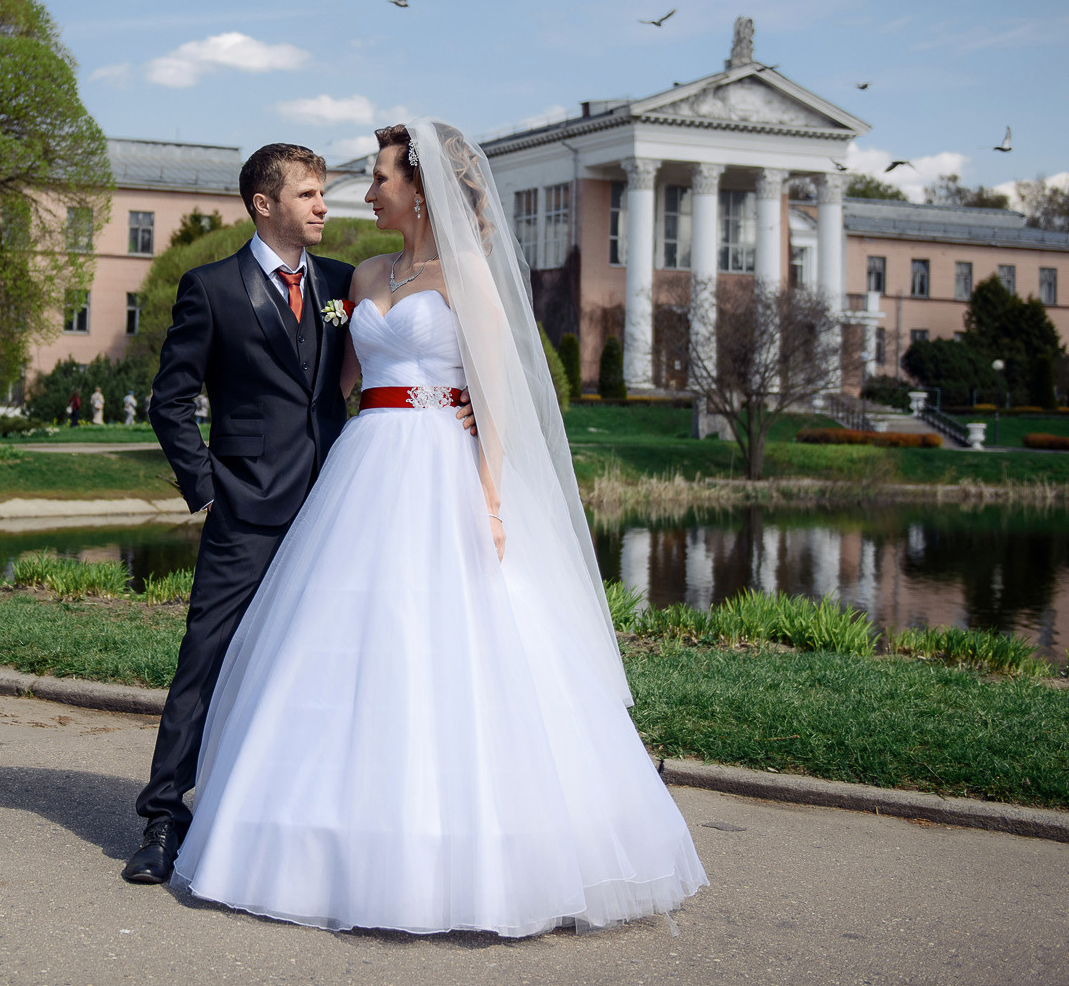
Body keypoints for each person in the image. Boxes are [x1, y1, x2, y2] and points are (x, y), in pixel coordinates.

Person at [167, 120, 706, 936]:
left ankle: (463, 849)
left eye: (381, 176)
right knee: (343, 644)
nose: (368, 189)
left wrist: (489, 501)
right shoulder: (367, 273)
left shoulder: (469, 279)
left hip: (442, 472)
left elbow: (497, 401)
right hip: (363, 468)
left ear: (420, 188)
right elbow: (337, 376)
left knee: (448, 646)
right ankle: (312, 832)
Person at [124, 142, 475, 885]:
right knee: (207, 656)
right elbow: (171, 399)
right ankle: (162, 815)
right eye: (309, 194)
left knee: (324, 661)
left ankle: (282, 811)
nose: (324, 205)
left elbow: (390, 358)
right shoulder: (210, 287)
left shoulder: (349, 281)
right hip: (245, 505)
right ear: (264, 203)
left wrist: (456, 403)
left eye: (325, 192)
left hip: (341, 506)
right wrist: (207, 487)